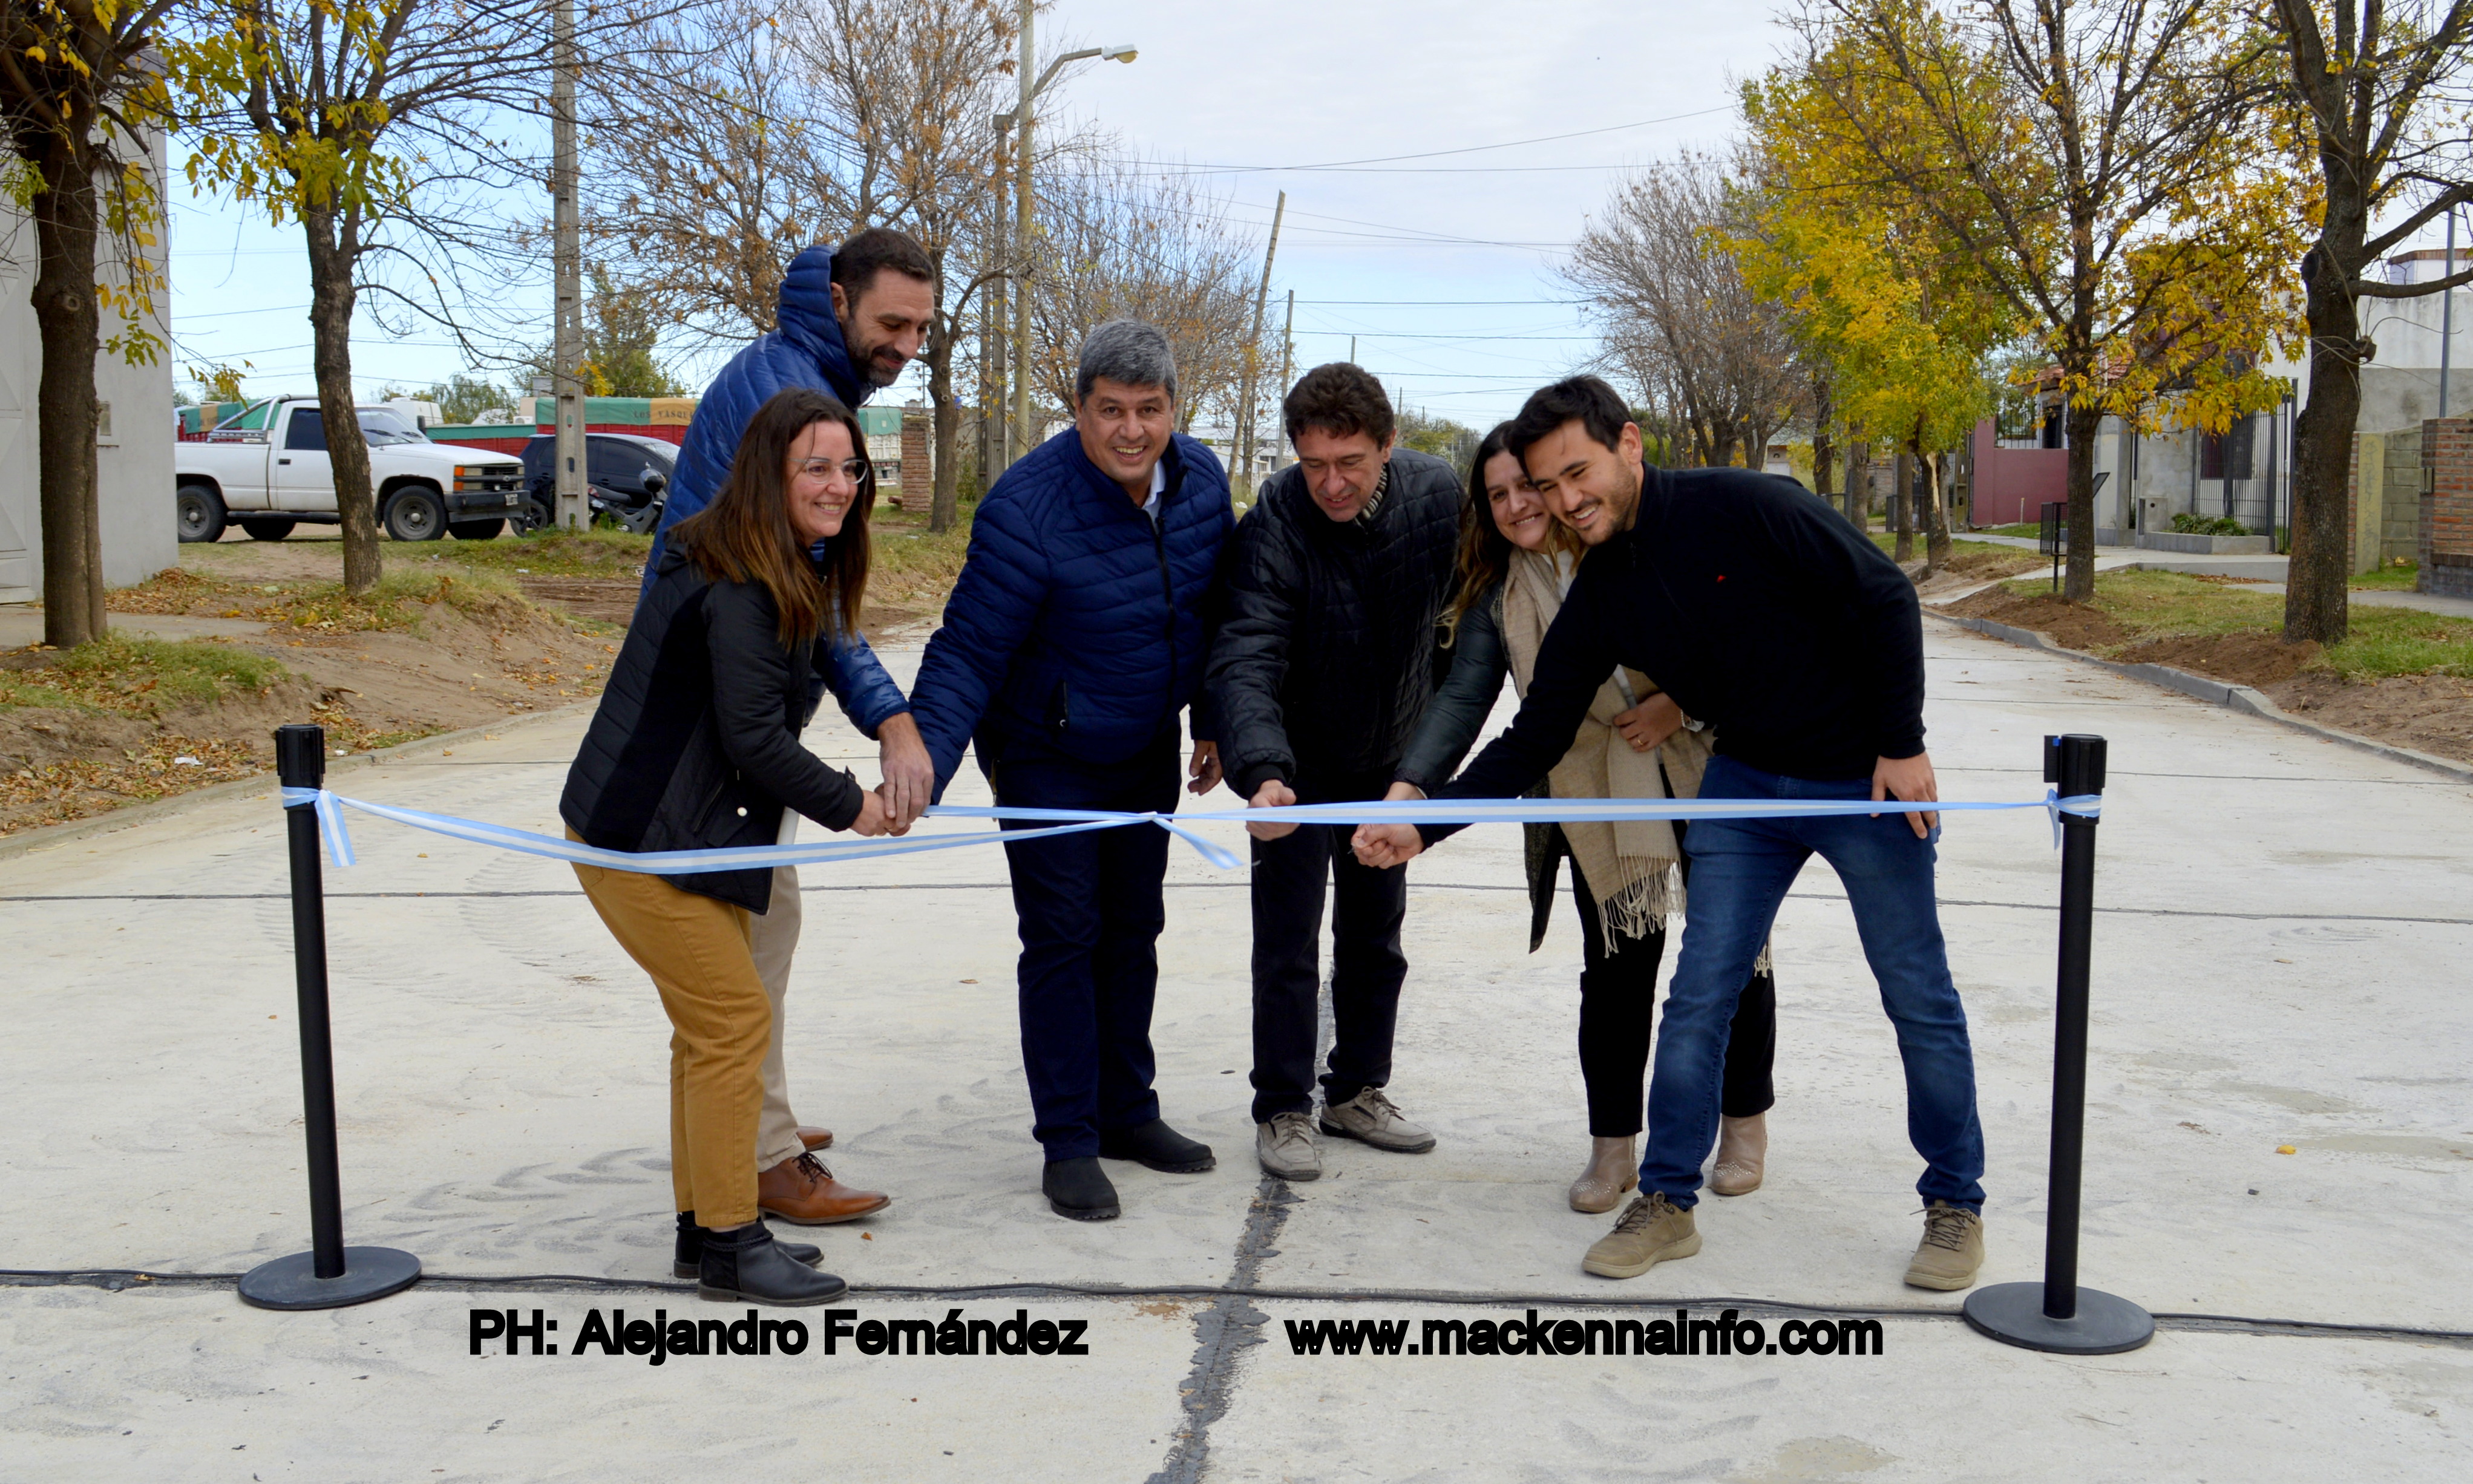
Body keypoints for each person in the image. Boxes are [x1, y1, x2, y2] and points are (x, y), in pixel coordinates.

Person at [1355, 376, 1985, 1292]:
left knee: (1917, 995)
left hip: (1865, 781)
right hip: (1744, 785)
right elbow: (1533, 736)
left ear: (1631, 445)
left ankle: (1954, 1203)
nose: (1569, 499)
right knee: (1698, 997)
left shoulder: (1752, 505)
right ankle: (1667, 1203)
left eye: (1580, 472)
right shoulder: (1604, 587)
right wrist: (1425, 824)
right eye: (1549, 484)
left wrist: (1902, 743)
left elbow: (1884, 594)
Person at [1369, 423, 1778, 1214]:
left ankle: (1744, 1123)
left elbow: (1732, 630)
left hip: (1703, 764)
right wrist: (1413, 787)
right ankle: (1614, 1147)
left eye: (1528, 484)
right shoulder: (1502, 591)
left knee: (1736, 954)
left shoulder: (1626, 545)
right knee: (1616, 970)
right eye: (1497, 495)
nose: (1519, 504)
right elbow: (1463, 701)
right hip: (1593, 792)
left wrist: (1678, 702)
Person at [562, 387, 899, 1304]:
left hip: (685, 833)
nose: (839, 485)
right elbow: (755, 739)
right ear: (769, 473)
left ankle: (699, 1229)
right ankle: (730, 1242)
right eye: (816, 468)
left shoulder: (771, 560)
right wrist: (855, 805)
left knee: (707, 1028)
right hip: (642, 841)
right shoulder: (741, 580)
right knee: (733, 1021)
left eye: (849, 467)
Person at [906, 321, 1234, 1221]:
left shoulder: (1203, 483)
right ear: (1079, 408)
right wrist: (922, 764)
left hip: (1141, 747)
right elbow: (968, 649)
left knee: (1134, 930)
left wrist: (1211, 720)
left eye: (1150, 410)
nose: (1131, 431)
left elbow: (1214, 613)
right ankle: (1070, 1140)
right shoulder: (1026, 507)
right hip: (1046, 750)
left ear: (1175, 409)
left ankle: (1129, 1112)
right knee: (1064, 935)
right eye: (1111, 411)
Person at [643, 228, 937, 1226]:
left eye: (921, 330)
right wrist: (889, 728)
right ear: (840, 296)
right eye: (892, 323)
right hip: (713, 720)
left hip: (732, 707)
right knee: (745, 948)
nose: (906, 345)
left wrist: (887, 714)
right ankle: (761, 1156)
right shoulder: (787, 399)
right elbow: (807, 600)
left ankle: (754, 1115)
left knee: (767, 919)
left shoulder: (810, 384)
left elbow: (818, 603)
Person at [1207, 363, 1463, 1183]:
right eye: (1313, 463)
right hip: (1298, 763)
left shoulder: (1437, 498)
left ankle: (1355, 1089)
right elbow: (1247, 649)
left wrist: (1423, 768)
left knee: (1375, 939)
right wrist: (1264, 770)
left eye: (1350, 461)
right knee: (1285, 945)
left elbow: (1467, 629)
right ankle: (1283, 1105)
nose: (1331, 482)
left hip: (1390, 757)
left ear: (1388, 446)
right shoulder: (1277, 518)